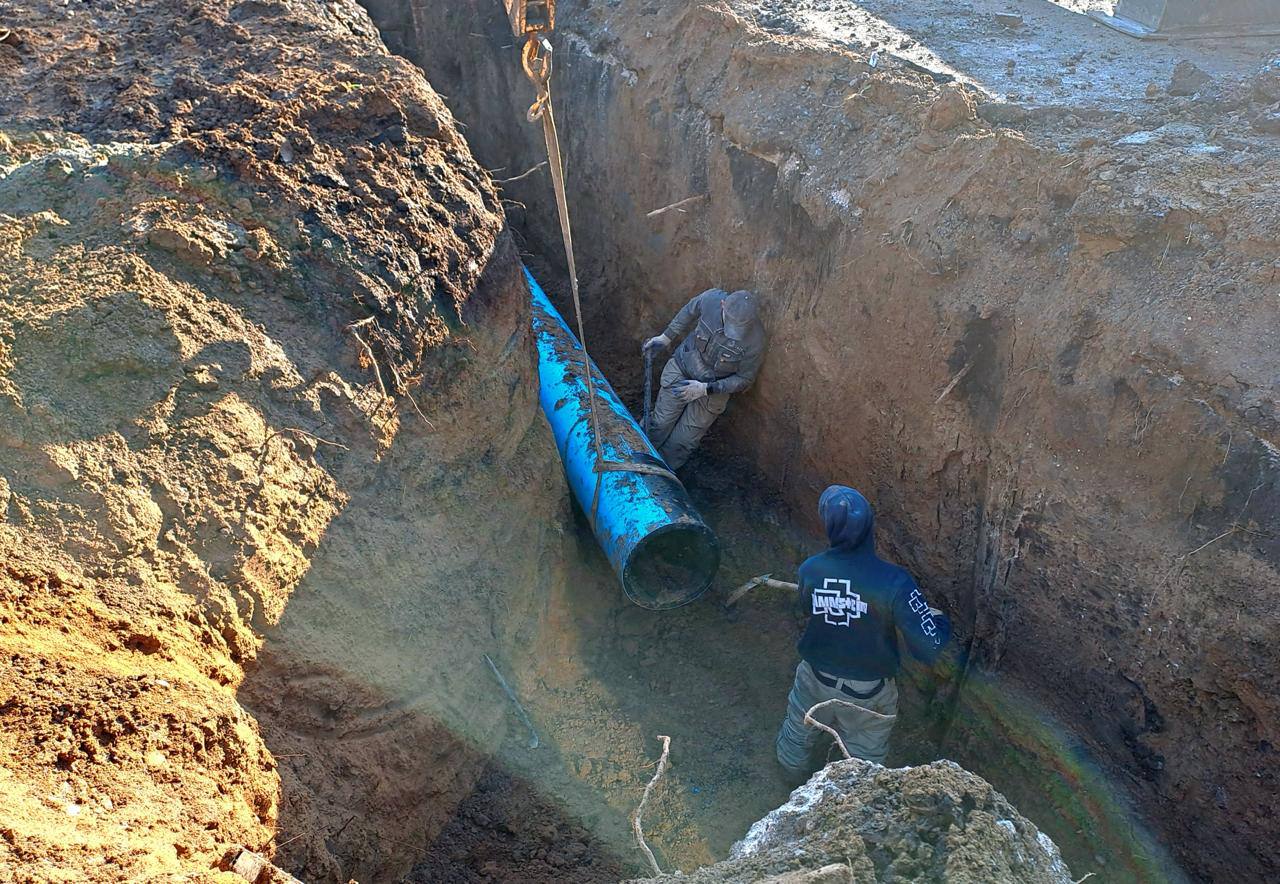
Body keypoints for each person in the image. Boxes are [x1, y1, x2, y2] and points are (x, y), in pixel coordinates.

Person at [775, 485, 952, 780]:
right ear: (870, 526)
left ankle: (789, 777)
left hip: (815, 678)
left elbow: (807, 608)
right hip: (867, 693)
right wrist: (941, 621)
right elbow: (928, 646)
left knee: (798, 731)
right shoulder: (895, 582)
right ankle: (852, 802)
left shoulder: (811, 570)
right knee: (863, 761)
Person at [642, 288, 766, 470]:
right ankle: (638, 459)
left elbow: (745, 378)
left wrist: (705, 389)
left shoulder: (756, 340)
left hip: (714, 389)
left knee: (681, 442)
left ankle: (660, 477)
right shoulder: (711, 300)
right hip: (684, 367)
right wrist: (666, 337)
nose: (733, 330)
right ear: (723, 305)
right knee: (660, 424)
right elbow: (689, 310)